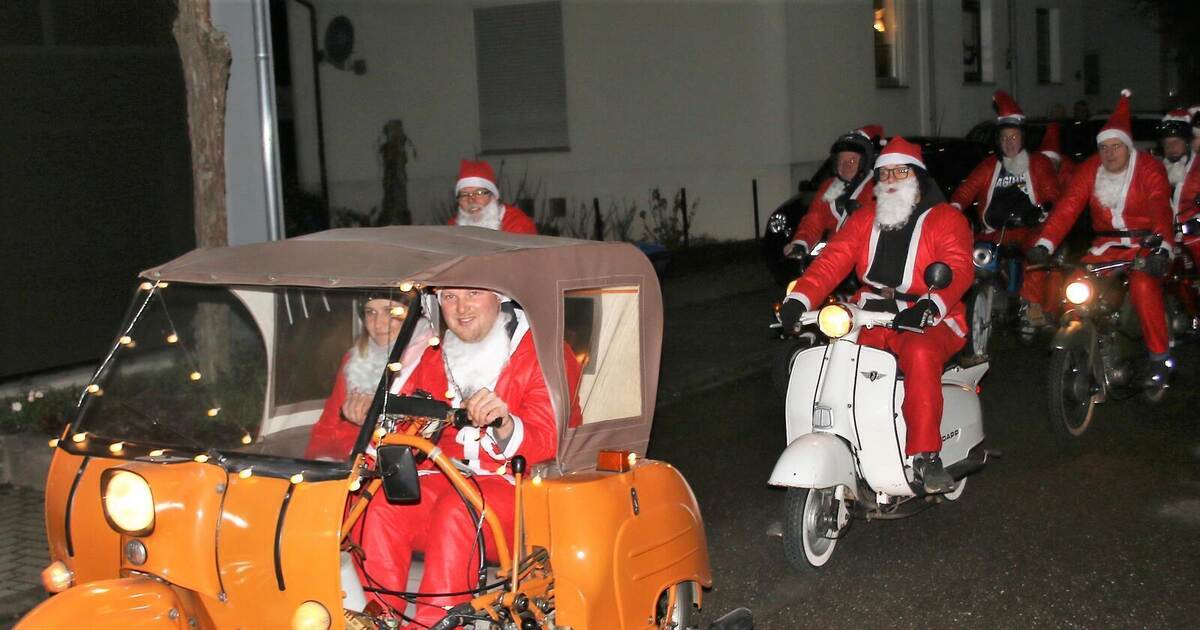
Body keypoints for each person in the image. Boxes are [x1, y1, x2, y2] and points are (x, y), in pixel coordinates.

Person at [355, 287, 564, 628]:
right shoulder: (438, 355)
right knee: (384, 503)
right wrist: (379, 421)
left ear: (500, 295)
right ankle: (379, 619)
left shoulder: (541, 352)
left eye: (473, 294)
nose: (461, 307)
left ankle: (432, 623)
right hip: (449, 478)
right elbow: (412, 421)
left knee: (458, 509)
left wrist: (505, 422)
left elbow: (550, 437)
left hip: (520, 491)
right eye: (449, 297)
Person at [779, 138, 974, 493]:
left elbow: (959, 266)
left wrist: (931, 304)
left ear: (917, 177)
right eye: (884, 173)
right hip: (869, 311)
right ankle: (844, 437)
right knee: (834, 354)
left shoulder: (947, 219)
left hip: (928, 313)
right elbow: (832, 260)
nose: (891, 180)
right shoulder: (865, 218)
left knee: (919, 353)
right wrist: (800, 299)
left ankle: (926, 455)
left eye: (900, 171)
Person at [1028, 90, 1176, 387]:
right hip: (1105, 248)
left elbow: (1161, 206)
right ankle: (1081, 348)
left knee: (1142, 285)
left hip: (1144, 246)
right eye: (1104, 147)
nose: (1109, 153)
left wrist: (1163, 249)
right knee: (1076, 285)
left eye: (1115, 146)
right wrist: (1044, 244)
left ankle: (1159, 358)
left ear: (1127, 146)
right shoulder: (1091, 169)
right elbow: (1067, 207)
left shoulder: (1148, 167)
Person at [951, 90, 1060, 333]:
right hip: (994, 231)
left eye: (1014, 137)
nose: (1010, 142)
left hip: (1029, 228)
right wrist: (955, 207)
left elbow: (1053, 193)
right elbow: (967, 190)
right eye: (1005, 138)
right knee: (968, 258)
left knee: (1034, 256)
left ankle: (1030, 308)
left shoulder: (1039, 163)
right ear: (998, 141)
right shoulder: (989, 166)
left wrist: (1041, 209)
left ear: (1023, 138)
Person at [304, 294, 431, 460]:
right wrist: (320, 466)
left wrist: (374, 421)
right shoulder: (355, 360)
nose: (378, 324)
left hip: (398, 470)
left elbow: (429, 434)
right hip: (349, 466)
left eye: (391, 312)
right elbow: (326, 427)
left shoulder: (429, 357)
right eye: (370, 312)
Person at [783, 127, 878, 258]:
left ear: (864, 162)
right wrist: (801, 242)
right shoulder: (829, 186)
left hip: (867, 257)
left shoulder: (877, 186)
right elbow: (815, 218)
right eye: (840, 161)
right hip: (836, 256)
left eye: (851, 161)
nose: (844, 166)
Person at [449, 159, 538, 234]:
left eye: (479, 193)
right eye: (464, 195)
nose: (471, 200)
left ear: (493, 196)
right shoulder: (452, 227)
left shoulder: (519, 226)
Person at [1157, 109, 1196, 219]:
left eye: (1176, 142)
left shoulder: (1196, 170)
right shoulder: (1158, 172)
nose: (1171, 148)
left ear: (1187, 143)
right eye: (1166, 144)